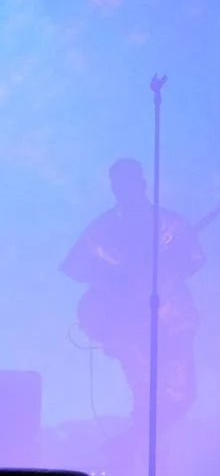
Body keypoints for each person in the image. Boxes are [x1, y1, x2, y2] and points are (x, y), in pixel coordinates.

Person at [60, 158, 203, 475]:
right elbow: (75, 267)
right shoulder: (102, 229)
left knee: (180, 397)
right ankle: (145, 458)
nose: (124, 189)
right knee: (149, 395)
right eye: (118, 183)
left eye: (129, 182)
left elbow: (193, 259)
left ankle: (129, 447)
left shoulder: (167, 223)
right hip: (128, 327)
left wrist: (165, 266)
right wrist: (114, 277)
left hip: (171, 322)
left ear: (142, 184)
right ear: (114, 188)